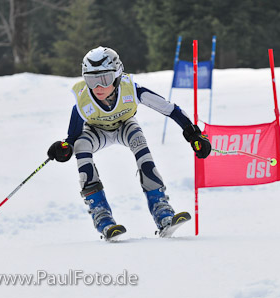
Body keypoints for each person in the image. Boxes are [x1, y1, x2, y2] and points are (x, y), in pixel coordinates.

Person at [47, 46, 211, 240]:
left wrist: (193, 134)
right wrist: (64, 149)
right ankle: (101, 214)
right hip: (96, 131)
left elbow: (170, 109)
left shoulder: (131, 89)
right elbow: (72, 139)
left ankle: (161, 210)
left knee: (139, 140)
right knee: (82, 146)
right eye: (91, 80)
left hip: (124, 125)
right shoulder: (83, 100)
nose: (98, 87)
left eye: (104, 79)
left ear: (117, 76)